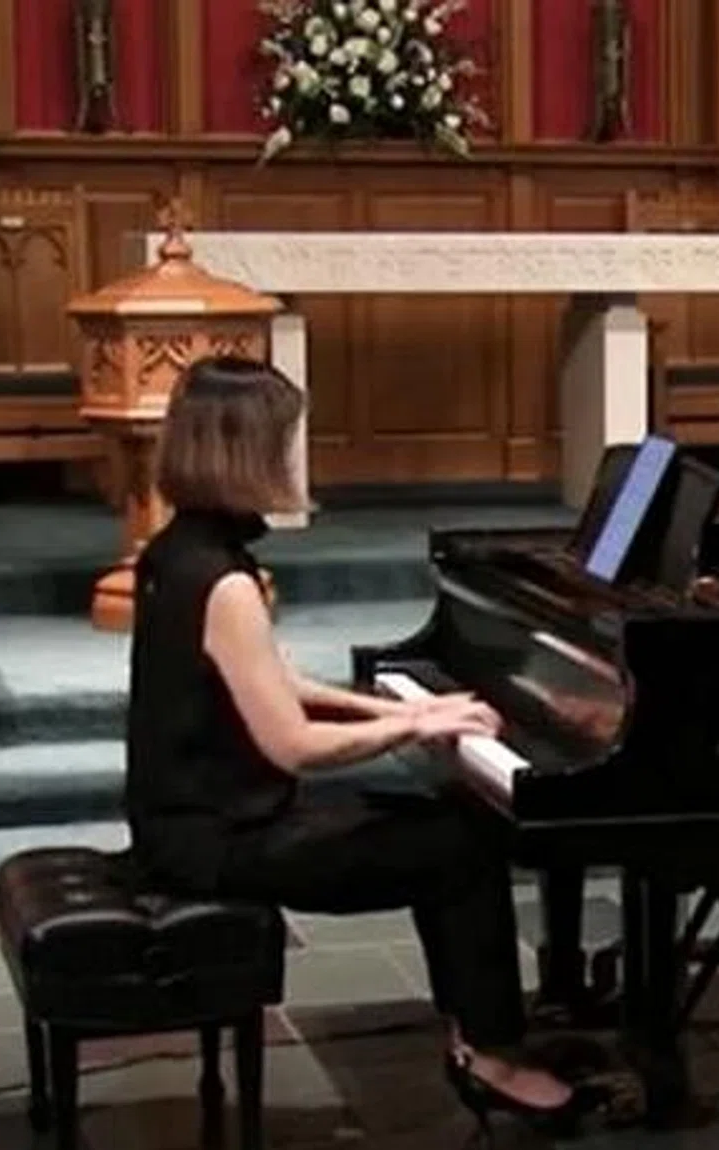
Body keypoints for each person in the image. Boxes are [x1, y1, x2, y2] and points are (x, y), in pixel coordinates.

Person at [123, 356, 600, 1138]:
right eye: (283, 440)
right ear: (245, 451)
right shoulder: (227, 584)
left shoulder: (177, 551)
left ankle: (476, 1032)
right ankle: (490, 1054)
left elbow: (272, 681)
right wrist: (412, 725)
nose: (291, 456)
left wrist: (395, 698)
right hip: (221, 841)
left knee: (451, 819)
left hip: (190, 818)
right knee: (460, 847)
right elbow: (294, 747)